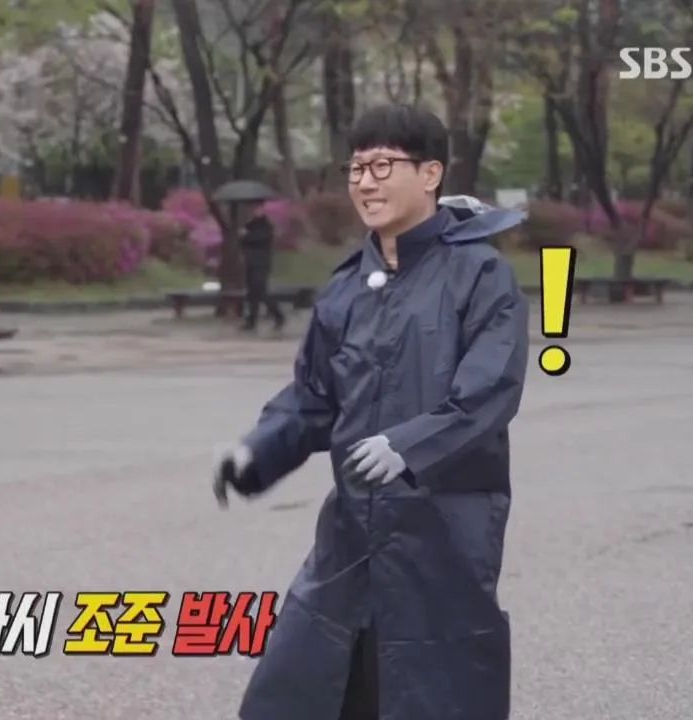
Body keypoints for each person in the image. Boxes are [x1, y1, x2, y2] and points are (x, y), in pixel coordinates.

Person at [213, 104, 529, 719]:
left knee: (431, 694)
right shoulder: (347, 287)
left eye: (383, 165)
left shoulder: (480, 273)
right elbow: (313, 397)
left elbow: (490, 390)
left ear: (430, 173)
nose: (365, 182)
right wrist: (256, 450)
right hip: (352, 532)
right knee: (301, 690)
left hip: (442, 534)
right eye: (357, 168)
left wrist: (409, 447)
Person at [238, 202, 285, 331]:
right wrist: (244, 236)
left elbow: (258, 239)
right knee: (251, 292)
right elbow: (243, 241)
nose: (254, 211)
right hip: (250, 261)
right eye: (253, 209)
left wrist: (246, 235)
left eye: (257, 209)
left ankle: (277, 314)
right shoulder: (249, 225)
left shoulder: (265, 226)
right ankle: (251, 320)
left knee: (261, 290)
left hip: (261, 262)